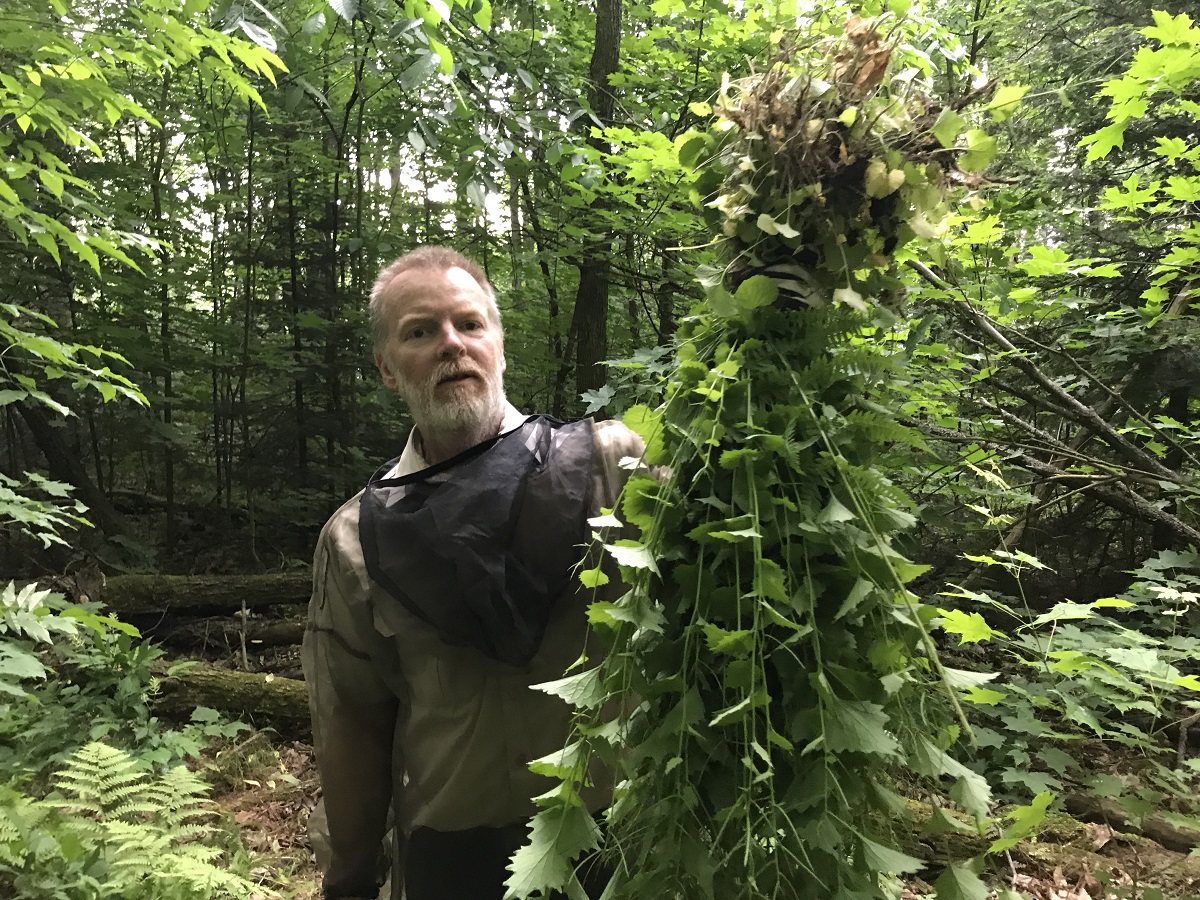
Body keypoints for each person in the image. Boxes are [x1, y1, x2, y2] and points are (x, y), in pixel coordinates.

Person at [302, 246, 643, 900]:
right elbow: (351, 725)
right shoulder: (355, 541)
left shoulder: (612, 466)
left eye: (470, 324)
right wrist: (350, 875)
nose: (451, 344)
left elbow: (740, 517)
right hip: (454, 864)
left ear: (500, 346)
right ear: (387, 369)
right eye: (420, 331)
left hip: (623, 849)